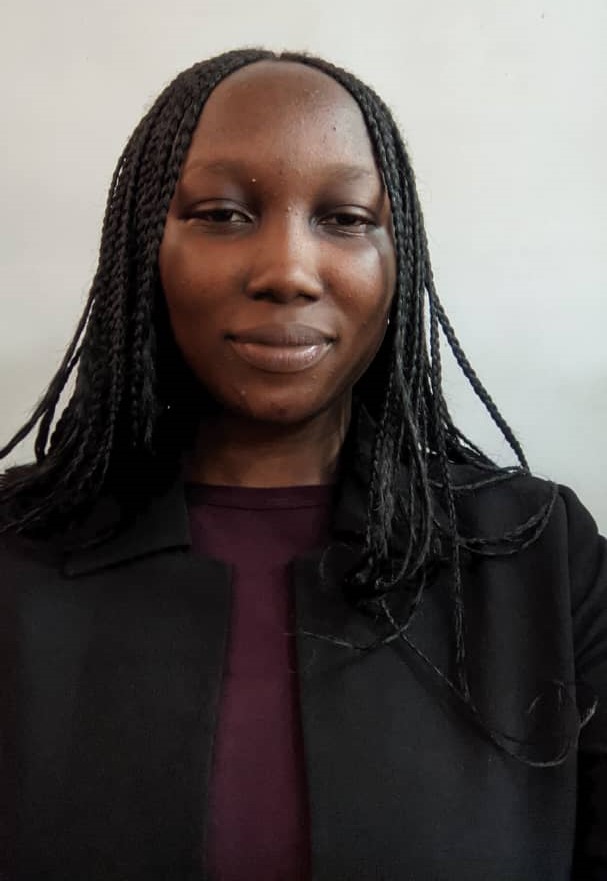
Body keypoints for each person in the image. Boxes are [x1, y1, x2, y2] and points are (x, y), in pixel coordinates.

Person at [0, 47, 605, 881]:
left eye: (345, 219)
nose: (287, 271)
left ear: (398, 258)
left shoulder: (542, 557)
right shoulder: (14, 553)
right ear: (145, 247)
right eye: (222, 213)